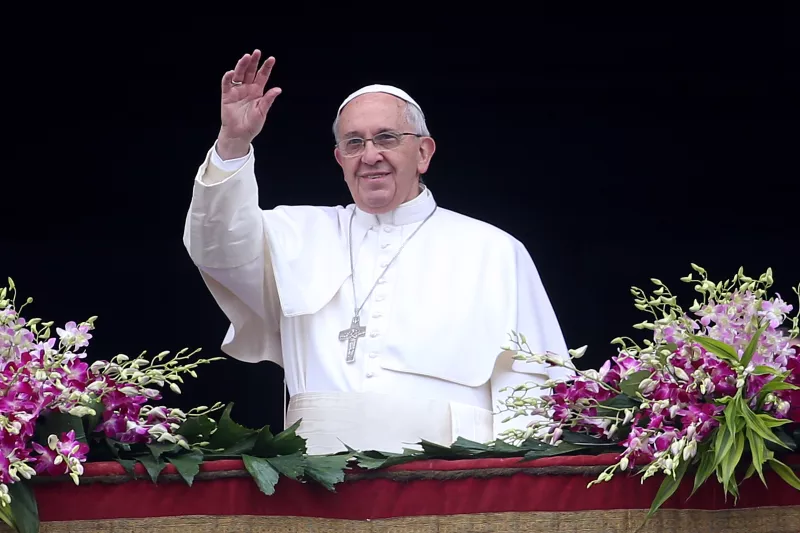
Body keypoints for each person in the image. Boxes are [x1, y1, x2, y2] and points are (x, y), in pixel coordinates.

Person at [183, 50, 572, 455]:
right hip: (318, 483)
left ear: (423, 153)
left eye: (386, 138)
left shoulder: (495, 251)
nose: (370, 155)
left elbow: (533, 388)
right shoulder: (295, 234)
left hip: (449, 486)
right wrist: (233, 143)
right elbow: (216, 244)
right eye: (354, 143)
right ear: (340, 159)